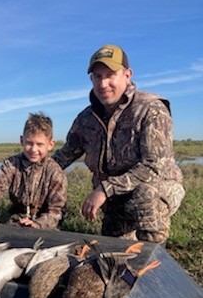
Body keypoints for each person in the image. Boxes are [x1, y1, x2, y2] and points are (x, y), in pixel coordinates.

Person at [53, 44, 185, 244]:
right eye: (97, 76)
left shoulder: (151, 109)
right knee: (113, 253)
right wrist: (22, 170)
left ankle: (155, 255)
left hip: (155, 190)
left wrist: (105, 189)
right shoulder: (86, 119)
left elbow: (152, 167)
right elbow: (62, 157)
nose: (103, 83)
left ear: (127, 75)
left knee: (146, 194)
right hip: (115, 199)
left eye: (110, 75)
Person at [0, 112, 67, 235]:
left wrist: (37, 224)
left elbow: (56, 212)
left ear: (50, 145)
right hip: (16, 222)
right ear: (22, 141)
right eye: (29, 143)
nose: (33, 149)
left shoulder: (55, 173)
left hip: (46, 227)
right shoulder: (11, 164)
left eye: (40, 144)